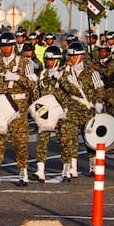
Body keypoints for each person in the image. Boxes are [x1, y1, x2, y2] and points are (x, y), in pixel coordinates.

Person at [0, 32, 38, 187]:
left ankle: (23, 171)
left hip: (18, 106)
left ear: (14, 46)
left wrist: (18, 78)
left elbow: (33, 85)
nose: (6, 49)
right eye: (3, 46)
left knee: (19, 141)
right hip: (0, 104)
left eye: (8, 46)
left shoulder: (25, 63)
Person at [58, 41, 104, 179]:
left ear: (81, 56)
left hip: (88, 109)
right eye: (70, 56)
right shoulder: (66, 71)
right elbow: (63, 85)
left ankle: (93, 163)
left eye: (73, 56)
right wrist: (67, 69)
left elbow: (99, 89)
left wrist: (99, 102)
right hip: (72, 108)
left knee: (90, 139)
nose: (71, 59)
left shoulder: (92, 72)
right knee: (70, 138)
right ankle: (73, 167)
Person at [31, 45, 65, 183]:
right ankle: (40, 170)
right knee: (42, 140)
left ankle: (67, 169)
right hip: (45, 111)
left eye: (51, 60)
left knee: (64, 140)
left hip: (60, 111)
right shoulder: (43, 74)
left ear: (57, 60)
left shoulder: (63, 73)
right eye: (47, 60)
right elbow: (38, 92)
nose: (49, 62)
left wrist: (61, 79)